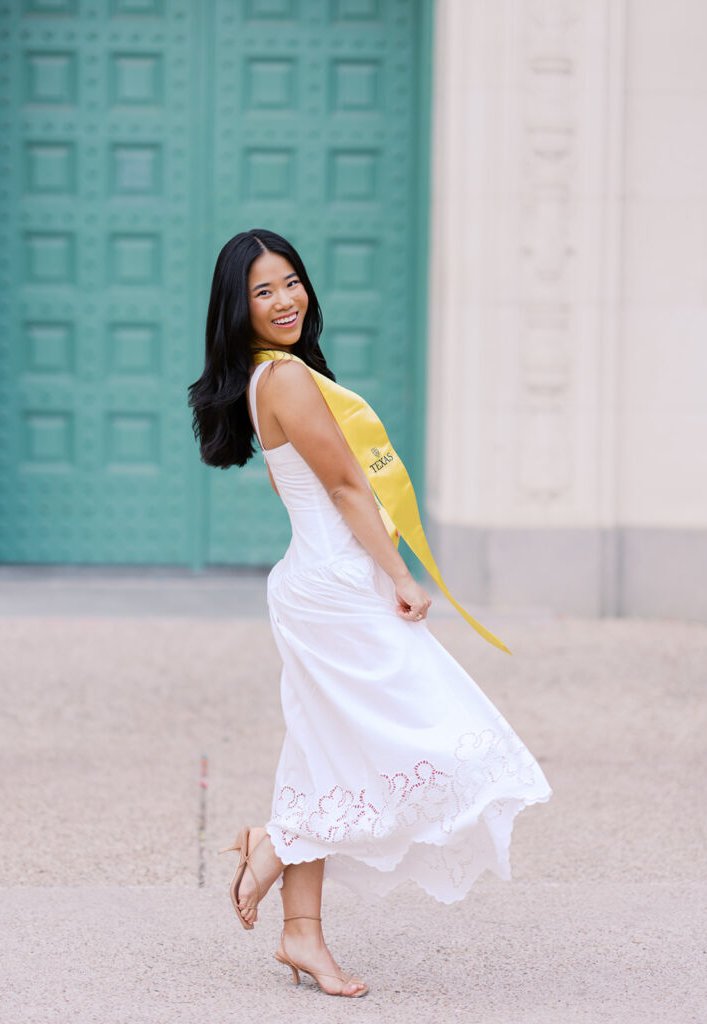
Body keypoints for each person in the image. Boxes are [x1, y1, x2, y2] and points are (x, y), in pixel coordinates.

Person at [188, 228, 552, 998]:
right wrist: (400, 575)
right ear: (237, 308)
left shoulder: (267, 378)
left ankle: (297, 924)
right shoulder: (285, 380)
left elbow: (316, 487)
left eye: (291, 281)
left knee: (326, 754)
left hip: (319, 583)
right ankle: (277, 844)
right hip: (338, 591)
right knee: (437, 736)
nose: (284, 300)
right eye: (262, 291)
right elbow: (347, 487)